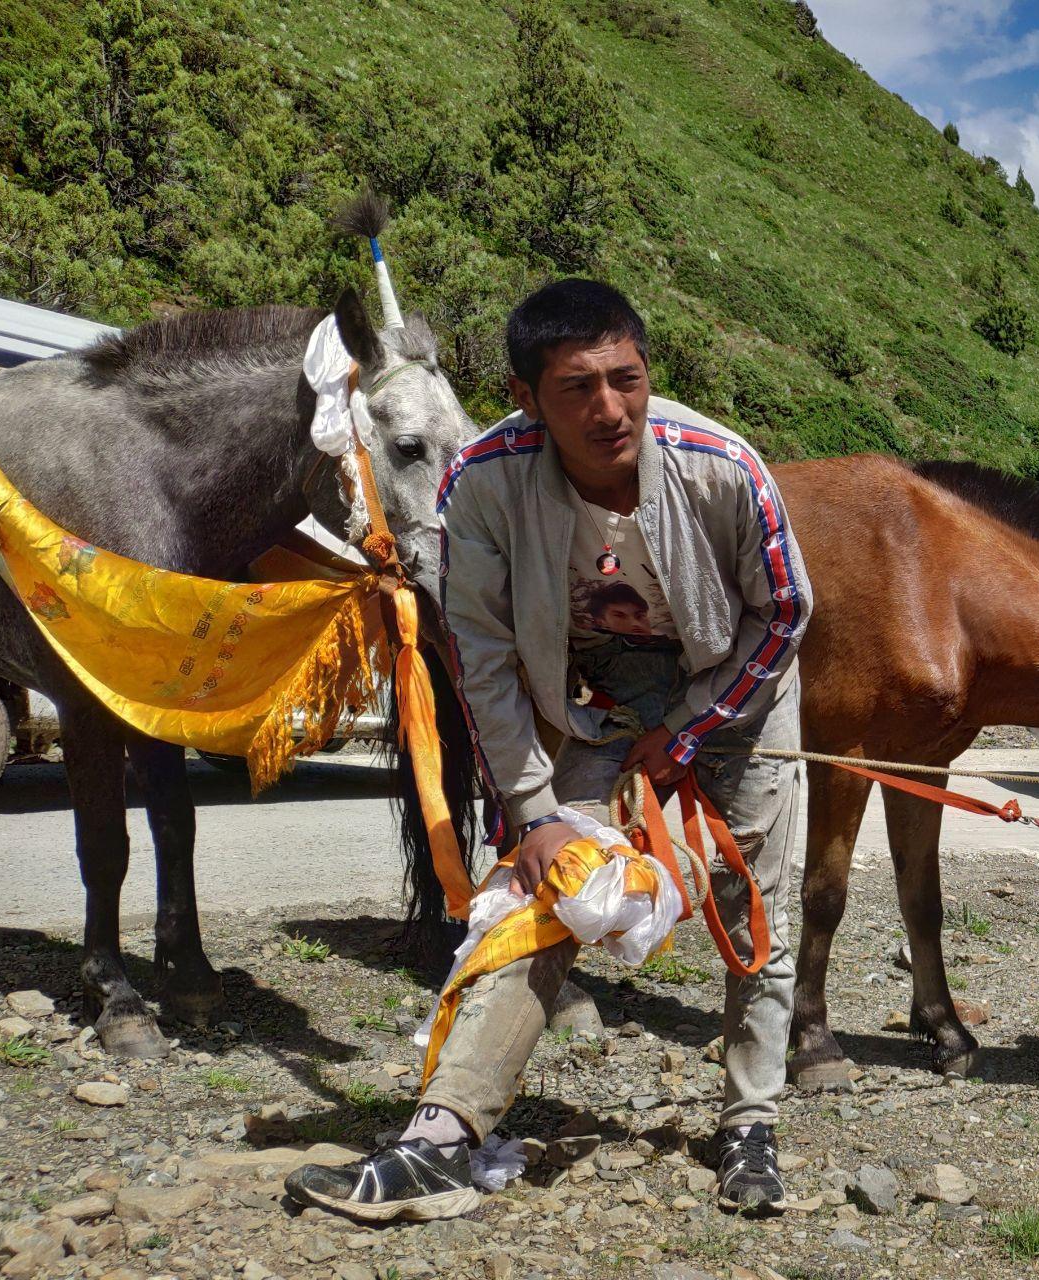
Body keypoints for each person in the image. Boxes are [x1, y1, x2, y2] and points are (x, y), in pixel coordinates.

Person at [287, 279, 811, 1221]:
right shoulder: (483, 482)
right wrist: (530, 810)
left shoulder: (721, 467)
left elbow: (784, 616)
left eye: (626, 379)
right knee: (542, 888)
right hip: (586, 693)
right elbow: (481, 657)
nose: (609, 409)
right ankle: (443, 1136)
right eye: (577, 387)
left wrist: (685, 730)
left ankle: (749, 1121)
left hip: (731, 685)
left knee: (753, 896)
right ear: (528, 399)